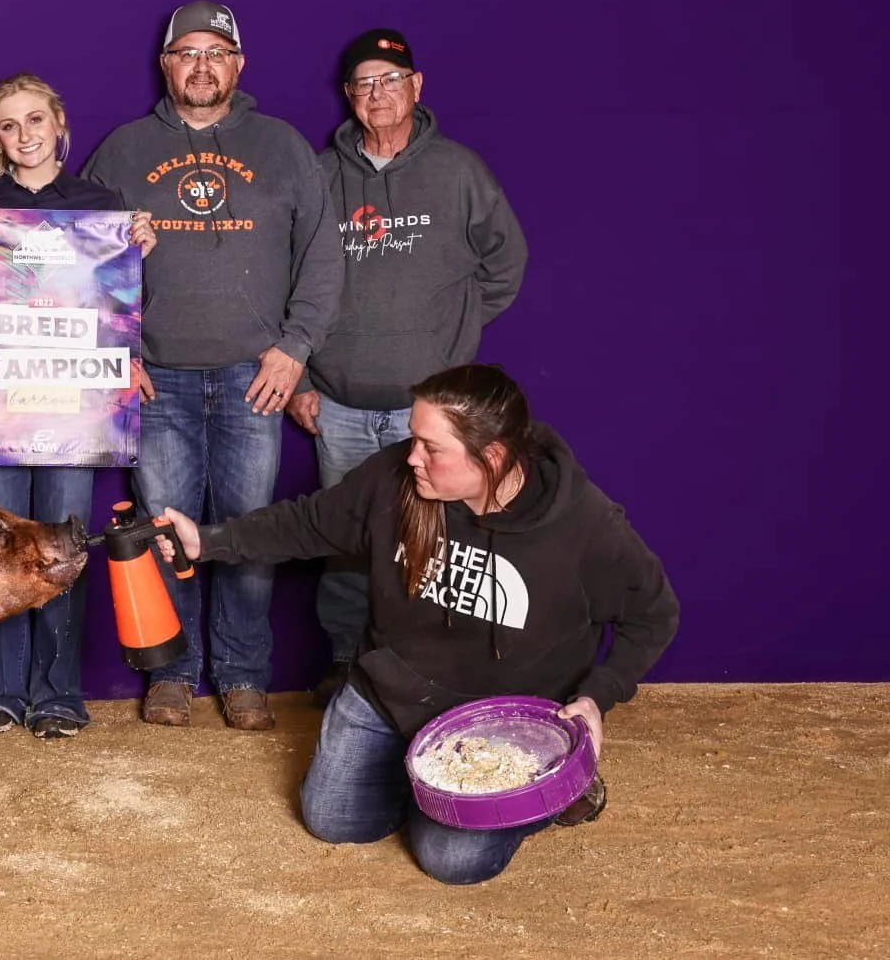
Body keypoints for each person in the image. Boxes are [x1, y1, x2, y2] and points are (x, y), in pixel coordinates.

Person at [153, 364, 678, 885]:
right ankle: (422, 775)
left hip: (499, 724)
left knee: (452, 862)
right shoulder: (395, 480)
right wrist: (208, 541)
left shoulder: (584, 524)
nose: (412, 457)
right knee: (333, 822)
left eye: (431, 448)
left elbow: (654, 615)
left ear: (492, 457)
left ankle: (559, 781)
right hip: (392, 692)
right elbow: (308, 523)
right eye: (413, 439)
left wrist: (596, 696)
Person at [82, 0, 340, 731]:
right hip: (157, 380)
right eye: (188, 53)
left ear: (239, 65)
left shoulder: (282, 146)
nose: (202, 66)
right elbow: (83, 255)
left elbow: (322, 257)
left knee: (248, 534)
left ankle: (243, 674)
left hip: (252, 378)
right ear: (166, 65)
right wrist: (117, 350)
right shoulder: (124, 150)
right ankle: (172, 672)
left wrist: (295, 347)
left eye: (216, 53)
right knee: (167, 531)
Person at [287, 28, 529, 705]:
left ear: (416, 87)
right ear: (348, 96)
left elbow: (505, 263)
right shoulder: (319, 176)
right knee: (346, 542)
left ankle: (430, 665)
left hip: (431, 413)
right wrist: (300, 378)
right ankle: (345, 663)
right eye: (364, 83)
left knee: (437, 544)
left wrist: (452, 333)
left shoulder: (459, 171)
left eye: (391, 80)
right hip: (338, 404)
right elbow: (283, 281)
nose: (378, 93)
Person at [0, 74, 156, 740]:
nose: (24, 134)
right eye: (9, 125)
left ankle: (58, 691)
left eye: (35, 119)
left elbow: (120, 310)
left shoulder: (101, 207)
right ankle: (1, 687)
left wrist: (137, 251)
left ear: (58, 124)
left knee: (63, 545)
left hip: (73, 408)